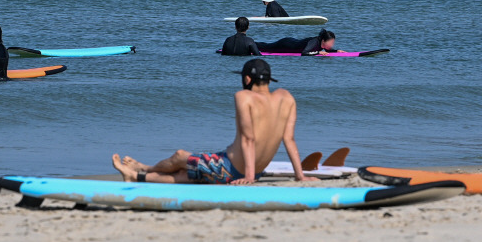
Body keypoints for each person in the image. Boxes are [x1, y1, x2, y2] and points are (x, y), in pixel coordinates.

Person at [112, 59, 318, 184]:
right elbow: (289, 139)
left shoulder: (244, 97)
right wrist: (299, 176)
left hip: (232, 166)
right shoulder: (286, 97)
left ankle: (146, 169)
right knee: (190, 175)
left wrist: (248, 177)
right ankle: (137, 176)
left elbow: (248, 138)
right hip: (257, 168)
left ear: (247, 79)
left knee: (180, 156)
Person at [255, 28, 347, 56]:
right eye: (331, 42)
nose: (332, 45)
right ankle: (252, 44)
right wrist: (318, 52)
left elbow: (326, 49)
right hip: (286, 44)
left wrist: (336, 51)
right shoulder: (314, 42)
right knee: (266, 47)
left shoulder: (321, 43)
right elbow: (304, 53)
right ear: (323, 41)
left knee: (267, 46)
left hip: (291, 42)